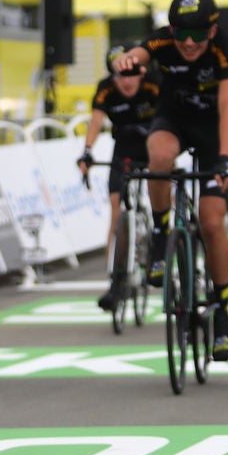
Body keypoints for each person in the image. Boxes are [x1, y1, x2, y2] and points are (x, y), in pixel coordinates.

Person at [109, 0, 228, 362]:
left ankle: (222, 310)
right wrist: (127, 61)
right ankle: (159, 230)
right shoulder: (165, 39)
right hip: (175, 119)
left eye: (198, 34)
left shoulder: (225, 48)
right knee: (159, 154)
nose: (187, 42)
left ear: (212, 32)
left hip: (214, 130)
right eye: (181, 33)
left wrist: (227, 160)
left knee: (212, 222)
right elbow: (139, 52)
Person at [79, 59, 163, 312]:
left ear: (142, 74)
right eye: (120, 76)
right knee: (117, 213)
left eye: (132, 76)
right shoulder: (106, 89)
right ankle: (115, 280)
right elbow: (95, 122)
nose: (126, 82)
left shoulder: (153, 85)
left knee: (158, 192)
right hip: (124, 149)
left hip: (153, 144)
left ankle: (158, 246)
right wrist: (86, 152)